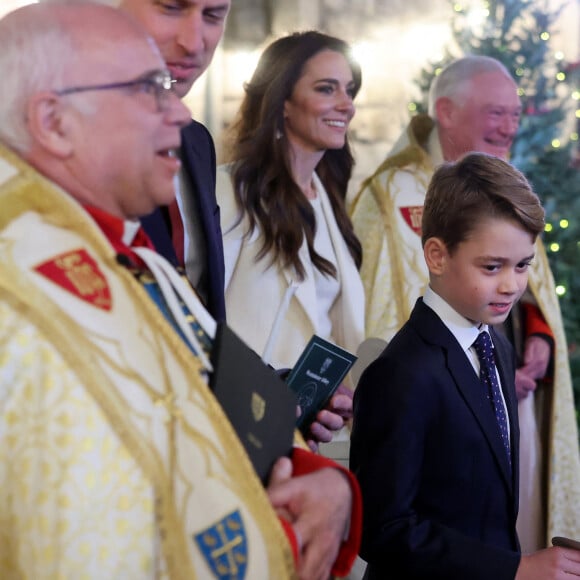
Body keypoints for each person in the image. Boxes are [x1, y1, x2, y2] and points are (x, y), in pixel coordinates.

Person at [0, 3, 362, 578]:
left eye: (216, 13)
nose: (177, 113)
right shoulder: (25, 268)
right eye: (148, 90)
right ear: (53, 120)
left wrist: (309, 469)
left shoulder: (127, 247)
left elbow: (198, 370)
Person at [349, 55, 580, 549]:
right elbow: (387, 528)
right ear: (446, 112)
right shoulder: (390, 193)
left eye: (516, 114)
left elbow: (527, 289)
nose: (510, 126)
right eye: (496, 112)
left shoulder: (494, 341)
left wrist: (536, 331)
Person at [215, 31, 366, 446]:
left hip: (307, 432)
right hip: (238, 422)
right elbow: (204, 314)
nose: (346, 105)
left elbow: (327, 327)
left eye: (348, 90)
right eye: (326, 88)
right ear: (283, 101)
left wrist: (334, 396)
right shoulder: (229, 192)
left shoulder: (330, 201)